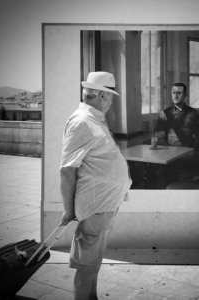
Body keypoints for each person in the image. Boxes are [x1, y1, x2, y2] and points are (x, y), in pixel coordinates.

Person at [59, 71, 131, 300]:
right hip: (94, 207)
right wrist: (68, 211)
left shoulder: (93, 119)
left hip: (104, 205)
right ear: (101, 95)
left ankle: (92, 297)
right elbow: (67, 169)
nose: (111, 102)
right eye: (110, 97)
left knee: (93, 260)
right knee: (86, 263)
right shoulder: (82, 121)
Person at [156, 82, 199, 184]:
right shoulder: (165, 113)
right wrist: (169, 152)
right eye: (173, 92)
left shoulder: (193, 113)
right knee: (167, 173)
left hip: (189, 152)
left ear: (185, 96)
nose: (175, 95)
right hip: (171, 154)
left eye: (179, 93)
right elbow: (159, 137)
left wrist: (193, 149)